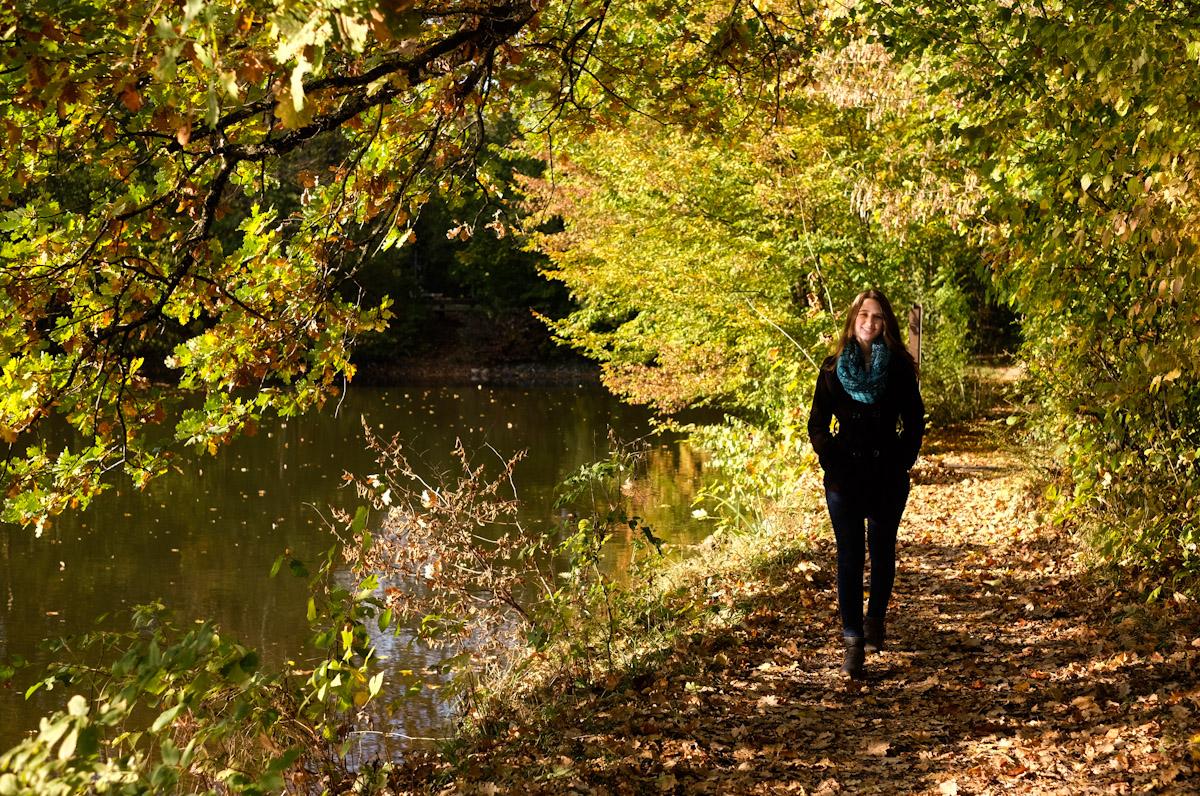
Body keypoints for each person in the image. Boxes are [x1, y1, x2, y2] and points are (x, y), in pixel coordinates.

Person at [807, 288, 925, 679]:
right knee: (849, 557)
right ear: (853, 319)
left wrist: (901, 461)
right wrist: (833, 457)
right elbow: (817, 425)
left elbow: (914, 423)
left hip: (887, 475)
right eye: (863, 316)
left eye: (877, 317)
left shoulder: (900, 369)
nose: (869, 323)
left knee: (882, 550)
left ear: (885, 322)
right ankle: (853, 642)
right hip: (844, 478)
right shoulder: (831, 368)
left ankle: (875, 620)